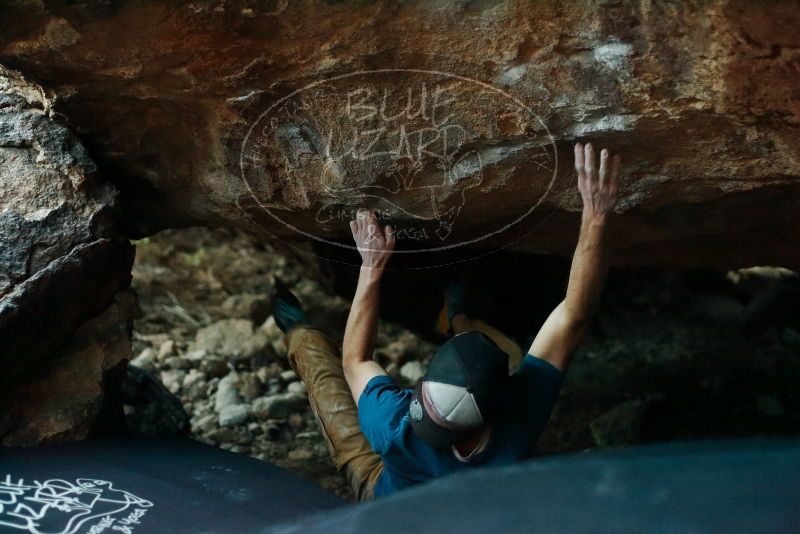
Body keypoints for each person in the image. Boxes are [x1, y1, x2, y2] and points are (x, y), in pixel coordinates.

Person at [272, 142, 621, 501]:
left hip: (383, 503)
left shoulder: (397, 427)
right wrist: (597, 217)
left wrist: (371, 267)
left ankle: (297, 331)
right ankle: (456, 318)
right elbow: (573, 318)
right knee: (497, 358)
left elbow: (355, 361)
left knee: (332, 395)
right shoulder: (517, 422)